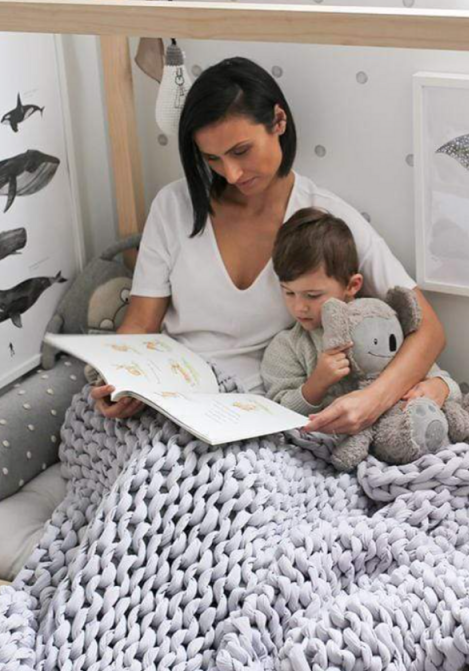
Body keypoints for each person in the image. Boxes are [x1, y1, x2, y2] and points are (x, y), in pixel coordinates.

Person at [90, 57, 448, 435]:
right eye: (212, 158)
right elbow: (140, 324)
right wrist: (118, 378)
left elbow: (429, 329)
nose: (231, 173)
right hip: (177, 400)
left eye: (241, 151)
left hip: (268, 413)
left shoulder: (324, 220)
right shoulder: (174, 206)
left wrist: (372, 401)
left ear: (279, 122)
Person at [260, 207, 458, 415]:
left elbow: (438, 376)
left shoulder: (382, 323)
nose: (299, 307)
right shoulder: (288, 347)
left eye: (312, 295)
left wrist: (440, 387)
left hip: (399, 430)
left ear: (352, 285)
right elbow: (278, 411)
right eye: (289, 293)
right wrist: (316, 385)